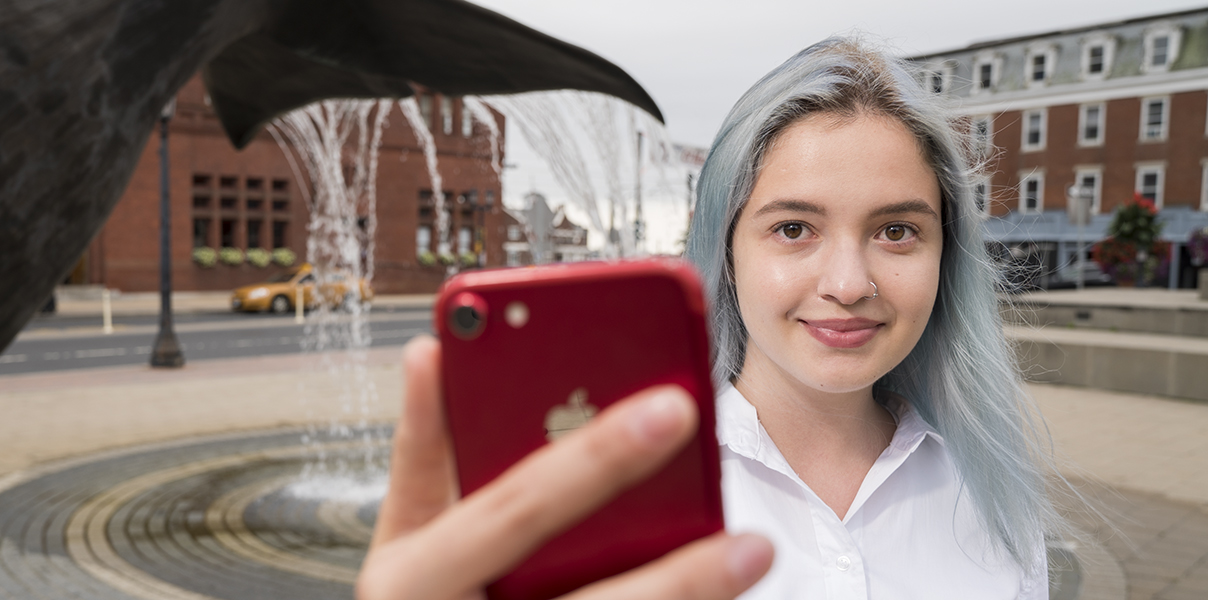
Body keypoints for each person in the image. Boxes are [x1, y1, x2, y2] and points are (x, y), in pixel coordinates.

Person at [358, 37, 1062, 599]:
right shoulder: (610, 498)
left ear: (948, 254)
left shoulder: (992, 499)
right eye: (793, 229)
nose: (849, 284)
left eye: (898, 231)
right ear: (724, 251)